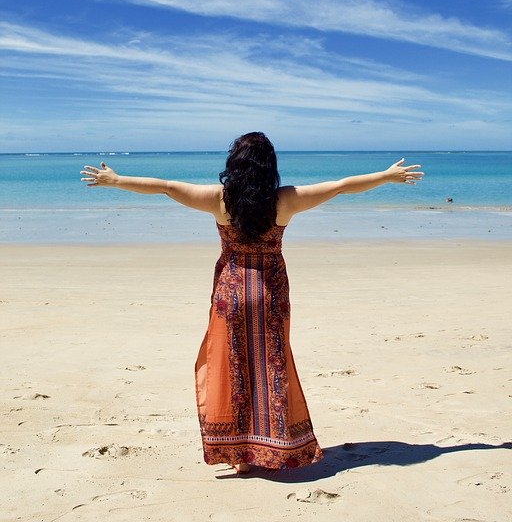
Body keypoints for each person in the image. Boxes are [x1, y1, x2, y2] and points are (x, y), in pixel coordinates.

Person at [80, 132, 423, 475]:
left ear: (235, 164)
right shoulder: (285, 200)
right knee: (271, 367)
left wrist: (116, 180)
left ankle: (241, 456)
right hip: (270, 293)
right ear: (269, 167)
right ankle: (273, 448)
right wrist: (386, 176)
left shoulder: (219, 199)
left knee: (234, 369)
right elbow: (340, 186)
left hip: (231, 293)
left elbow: (166, 187)